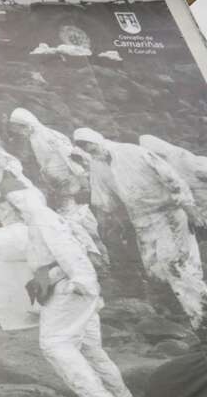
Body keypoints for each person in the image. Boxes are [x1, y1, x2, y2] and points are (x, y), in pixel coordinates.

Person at [0, 174, 142, 397]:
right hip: (76, 288)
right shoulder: (46, 217)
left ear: (15, 201)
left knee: (54, 344)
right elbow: (86, 246)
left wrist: (82, 282)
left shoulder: (41, 218)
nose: (2, 209)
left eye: (4, 204)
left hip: (70, 288)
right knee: (93, 353)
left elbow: (68, 251)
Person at [74, 128, 207, 330]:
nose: (88, 149)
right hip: (142, 221)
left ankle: (201, 317)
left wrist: (189, 208)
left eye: (88, 143)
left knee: (178, 265)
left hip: (169, 213)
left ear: (97, 139)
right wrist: (109, 225)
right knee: (155, 269)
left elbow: (171, 178)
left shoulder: (133, 152)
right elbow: (105, 200)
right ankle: (181, 318)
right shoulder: (98, 165)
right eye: (83, 146)